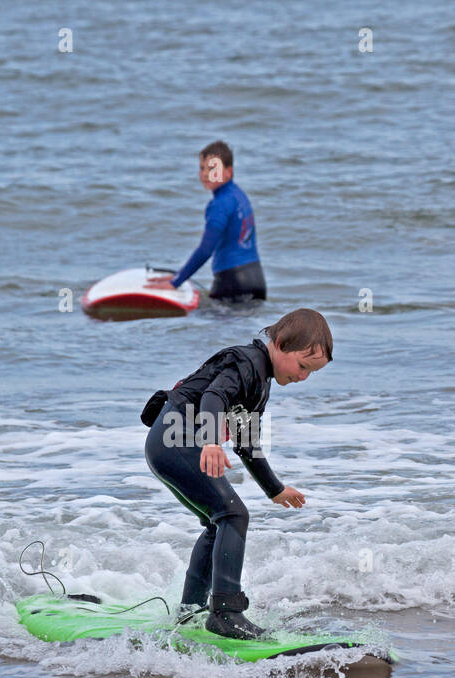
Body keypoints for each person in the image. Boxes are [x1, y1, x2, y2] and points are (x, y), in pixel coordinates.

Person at [141, 309, 332, 639]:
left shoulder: (261, 382)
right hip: (174, 440)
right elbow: (214, 396)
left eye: (310, 373)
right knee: (233, 514)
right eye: (302, 366)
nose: (303, 377)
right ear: (281, 343)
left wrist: (275, 489)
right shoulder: (246, 363)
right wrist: (212, 441)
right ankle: (226, 612)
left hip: (169, 443)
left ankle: (190, 612)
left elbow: (246, 441)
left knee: (219, 521)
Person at [145, 140, 266, 302]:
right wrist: (178, 275)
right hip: (256, 279)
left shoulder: (219, 204)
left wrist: (175, 282)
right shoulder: (239, 195)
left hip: (232, 282)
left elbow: (206, 249)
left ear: (228, 172)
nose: (205, 174)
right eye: (202, 168)